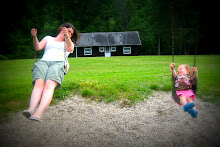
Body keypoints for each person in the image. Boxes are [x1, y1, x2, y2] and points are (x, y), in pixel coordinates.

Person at [22, 23, 80, 121]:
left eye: (71, 33)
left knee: (49, 85)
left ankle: (38, 113)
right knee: (39, 83)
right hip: (43, 62)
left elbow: (70, 48)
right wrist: (34, 37)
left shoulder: (67, 42)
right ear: (62, 29)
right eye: (68, 31)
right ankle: (31, 109)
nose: (69, 34)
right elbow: (38, 47)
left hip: (58, 63)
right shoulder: (48, 38)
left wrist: (67, 37)